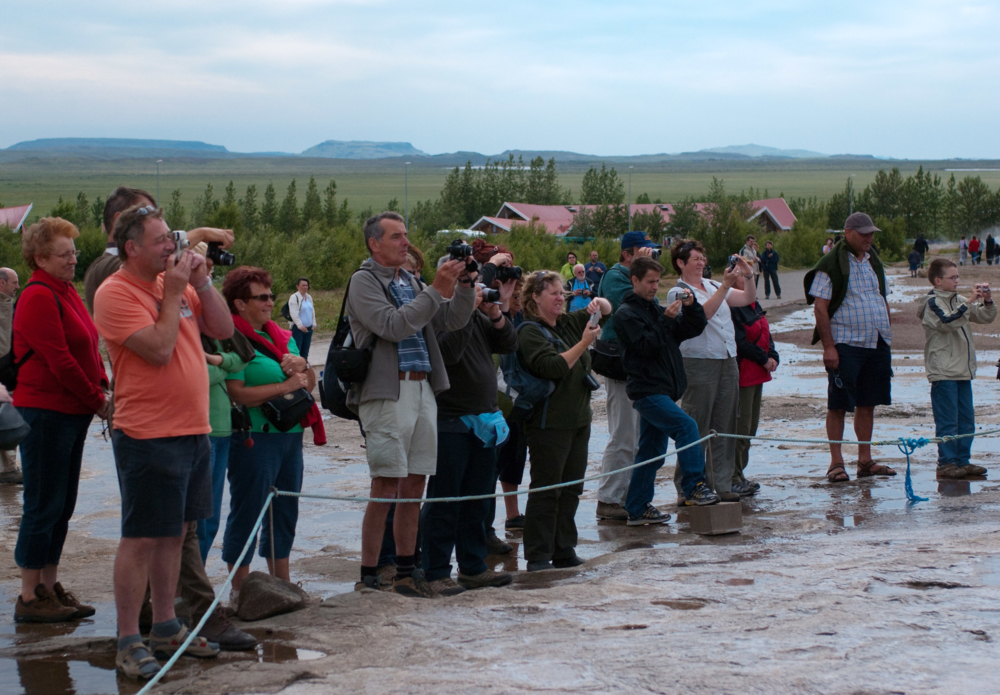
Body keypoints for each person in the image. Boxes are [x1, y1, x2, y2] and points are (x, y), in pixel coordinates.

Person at [90, 193, 253, 653]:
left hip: (193, 429)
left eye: (171, 239)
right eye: (161, 241)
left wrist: (201, 285)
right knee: (141, 537)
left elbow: (223, 331)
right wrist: (176, 291)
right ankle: (128, 640)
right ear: (131, 249)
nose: (171, 247)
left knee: (176, 534)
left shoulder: (172, 283)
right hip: (148, 434)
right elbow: (160, 350)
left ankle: (166, 627)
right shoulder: (115, 292)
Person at [346, 212, 475, 597]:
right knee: (385, 482)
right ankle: (370, 572)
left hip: (422, 389)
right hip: (387, 390)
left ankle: (406, 571)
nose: (406, 243)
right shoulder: (363, 281)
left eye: (406, 235)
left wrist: (465, 284)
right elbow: (393, 326)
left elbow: (450, 320)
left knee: (415, 483)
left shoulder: (410, 280)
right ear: (375, 243)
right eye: (397, 237)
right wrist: (435, 289)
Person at [11, 218, 110, 624]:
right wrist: (99, 400)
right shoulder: (37, 296)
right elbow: (61, 362)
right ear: (40, 258)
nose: (73, 259)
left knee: (62, 503)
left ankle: (50, 586)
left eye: (74, 252)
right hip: (46, 412)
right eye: (64, 254)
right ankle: (30, 596)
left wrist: (102, 385)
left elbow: (88, 346)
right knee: (42, 503)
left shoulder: (65, 291)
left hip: (70, 412)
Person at [222, 267, 324, 598]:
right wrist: (283, 385)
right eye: (262, 297)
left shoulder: (282, 336)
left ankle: (282, 582)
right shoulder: (228, 337)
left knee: (285, 510)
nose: (269, 302)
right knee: (248, 509)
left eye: (271, 296)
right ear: (239, 303)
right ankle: (242, 587)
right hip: (253, 434)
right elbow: (236, 392)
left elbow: (309, 385)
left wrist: (304, 367)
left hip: (289, 434)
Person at [421, 253, 518, 595]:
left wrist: (497, 315)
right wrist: (464, 309)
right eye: (464, 279)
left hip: (484, 418)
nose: (472, 285)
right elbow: (448, 354)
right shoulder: (435, 313)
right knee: (446, 502)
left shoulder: (478, 313)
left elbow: (509, 345)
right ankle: (434, 570)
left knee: (477, 501)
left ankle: (474, 567)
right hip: (451, 419)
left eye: (472, 279)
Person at [614, 256, 720, 525]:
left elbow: (692, 328)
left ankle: (637, 508)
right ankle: (694, 486)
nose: (654, 287)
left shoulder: (656, 310)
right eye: (650, 282)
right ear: (635, 280)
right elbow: (645, 347)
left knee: (651, 452)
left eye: (657, 282)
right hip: (647, 391)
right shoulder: (626, 314)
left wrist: (692, 306)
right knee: (687, 427)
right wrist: (666, 321)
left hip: (663, 390)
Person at [517, 271, 610, 571]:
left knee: (571, 489)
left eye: (563, 293)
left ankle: (564, 549)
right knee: (546, 490)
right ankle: (538, 555)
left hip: (579, 419)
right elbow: (553, 367)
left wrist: (598, 303)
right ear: (535, 297)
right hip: (549, 423)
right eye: (554, 293)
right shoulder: (529, 331)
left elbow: (607, 310)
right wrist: (584, 343)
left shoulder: (567, 322)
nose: (561, 298)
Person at [804, 212, 896, 484]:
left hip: (876, 342)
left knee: (868, 403)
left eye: (871, 233)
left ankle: (865, 460)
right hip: (845, 344)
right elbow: (820, 308)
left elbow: (882, 298)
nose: (869, 237)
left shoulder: (873, 262)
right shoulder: (830, 264)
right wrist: (828, 347)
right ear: (848, 233)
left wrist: (887, 335)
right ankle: (836, 463)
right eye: (864, 233)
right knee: (839, 404)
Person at [671, 239, 757, 502]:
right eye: (695, 258)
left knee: (725, 423)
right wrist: (727, 286)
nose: (701, 262)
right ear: (681, 263)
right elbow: (701, 315)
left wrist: (748, 275)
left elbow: (748, 298)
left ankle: (721, 484)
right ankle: (688, 487)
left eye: (702, 258)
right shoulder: (678, 292)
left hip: (727, 358)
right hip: (698, 361)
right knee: (696, 424)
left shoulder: (712, 285)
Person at [84, 186, 235, 314]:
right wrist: (200, 234)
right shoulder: (103, 267)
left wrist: (201, 278)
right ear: (118, 221)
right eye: (144, 213)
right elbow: (144, 263)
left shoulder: (151, 270)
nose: (152, 219)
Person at [594, 231, 657, 521]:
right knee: (622, 434)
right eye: (642, 252)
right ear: (627, 255)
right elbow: (630, 307)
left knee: (637, 435)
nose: (649, 256)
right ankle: (609, 499)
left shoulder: (635, 275)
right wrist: (641, 268)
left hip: (638, 363)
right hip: (619, 363)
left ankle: (628, 497)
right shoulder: (615, 276)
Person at [918, 260, 996, 479]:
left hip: (962, 370)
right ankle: (946, 463)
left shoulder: (959, 300)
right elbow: (948, 322)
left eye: (958, 277)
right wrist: (970, 301)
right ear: (937, 280)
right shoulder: (931, 302)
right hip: (943, 371)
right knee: (948, 421)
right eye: (953, 278)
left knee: (966, 419)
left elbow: (985, 316)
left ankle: (962, 461)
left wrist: (987, 300)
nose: (957, 281)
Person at [196, 327, 254, 564]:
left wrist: (216, 360)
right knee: (197, 519)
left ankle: (194, 580)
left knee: (211, 519)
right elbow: (194, 374)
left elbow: (243, 358)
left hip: (223, 431)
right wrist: (224, 367)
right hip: (201, 431)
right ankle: (186, 587)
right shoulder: (187, 328)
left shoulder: (218, 329)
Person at [731, 283, 779, 495]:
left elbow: (766, 333)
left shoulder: (754, 304)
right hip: (743, 373)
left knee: (750, 429)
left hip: (758, 373)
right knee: (740, 429)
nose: (749, 280)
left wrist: (773, 356)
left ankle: (740, 474)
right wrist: (763, 359)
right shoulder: (733, 305)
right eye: (744, 276)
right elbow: (739, 342)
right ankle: (732, 477)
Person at [0, 267, 22, 484]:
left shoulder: (12, 308)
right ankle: (7, 471)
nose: (17, 286)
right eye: (14, 282)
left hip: (10, 377)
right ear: (1, 284)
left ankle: (7, 470)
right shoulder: (6, 308)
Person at [287, 277, 315, 360]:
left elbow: (312, 311)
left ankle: (304, 370)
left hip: (308, 329)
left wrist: (313, 324)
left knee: (305, 353)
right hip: (298, 329)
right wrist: (300, 325)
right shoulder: (294, 297)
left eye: (306, 285)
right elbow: (294, 313)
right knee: (296, 352)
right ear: (297, 286)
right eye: (303, 285)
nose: (305, 287)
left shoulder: (309, 297)